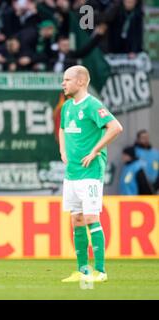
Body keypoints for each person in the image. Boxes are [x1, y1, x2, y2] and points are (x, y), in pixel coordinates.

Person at [59, 65, 123, 283]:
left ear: (80, 82)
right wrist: (62, 150)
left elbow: (115, 127)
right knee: (76, 218)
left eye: (67, 79)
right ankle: (82, 270)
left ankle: (101, 271)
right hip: (72, 172)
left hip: (90, 171)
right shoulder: (67, 107)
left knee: (90, 217)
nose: (63, 83)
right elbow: (62, 128)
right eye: (63, 80)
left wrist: (95, 151)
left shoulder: (93, 105)